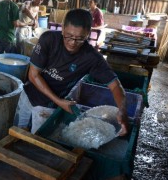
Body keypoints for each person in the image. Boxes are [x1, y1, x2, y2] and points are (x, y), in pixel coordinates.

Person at [14, 8, 129, 136]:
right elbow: (33, 75)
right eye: (68, 36)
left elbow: (115, 85)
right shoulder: (49, 39)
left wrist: (122, 110)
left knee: (37, 141)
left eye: (80, 38)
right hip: (29, 93)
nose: (73, 43)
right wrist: (59, 102)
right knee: (17, 131)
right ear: (62, 28)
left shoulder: (91, 57)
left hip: (47, 106)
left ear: (88, 34)